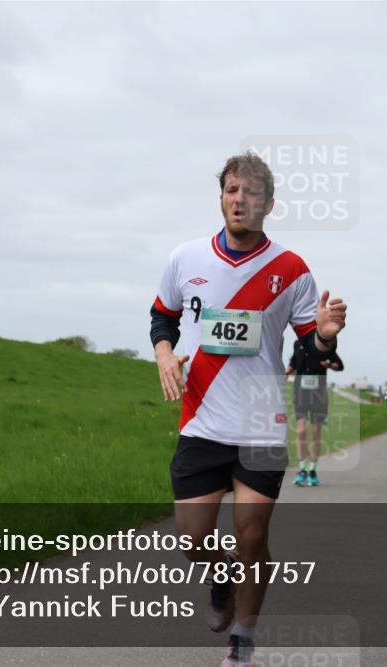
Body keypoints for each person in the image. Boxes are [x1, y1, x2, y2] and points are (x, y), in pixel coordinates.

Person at [150, 152, 348, 667]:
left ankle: (243, 638)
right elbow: (162, 317)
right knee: (193, 540)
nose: (239, 201)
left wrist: (324, 337)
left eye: (250, 193)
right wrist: (165, 353)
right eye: (232, 191)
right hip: (201, 420)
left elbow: (309, 348)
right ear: (222, 197)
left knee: (252, 533)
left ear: (269, 204)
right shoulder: (185, 259)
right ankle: (220, 579)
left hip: (261, 419)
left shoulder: (291, 269)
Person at [286, 339, 343, 487]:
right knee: (301, 430)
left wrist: (328, 365)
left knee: (316, 432)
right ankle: (302, 468)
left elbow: (339, 365)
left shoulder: (324, 344)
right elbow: (293, 361)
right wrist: (288, 370)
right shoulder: (298, 343)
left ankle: (312, 470)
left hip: (318, 395)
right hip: (300, 393)